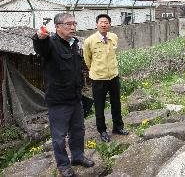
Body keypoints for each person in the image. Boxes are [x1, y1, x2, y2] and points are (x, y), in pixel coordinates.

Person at [32, 13, 94, 177]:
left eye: (74, 23)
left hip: (75, 98)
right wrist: (39, 38)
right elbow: (40, 46)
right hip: (58, 101)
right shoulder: (50, 44)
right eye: (68, 24)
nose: (73, 27)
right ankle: (63, 165)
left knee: (78, 130)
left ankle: (78, 157)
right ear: (58, 27)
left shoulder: (74, 44)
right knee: (59, 137)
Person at [83, 14, 128, 143]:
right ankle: (102, 131)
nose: (104, 24)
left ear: (110, 24)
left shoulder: (114, 37)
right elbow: (87, 59)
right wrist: (96, 70)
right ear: (96, 24)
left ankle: (118, 127)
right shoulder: (89, 41)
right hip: (98, 78)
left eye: (106, 22)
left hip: (113, 76)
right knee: (99, 106)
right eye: (101, 22)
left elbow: (114, 54)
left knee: (116, 103)